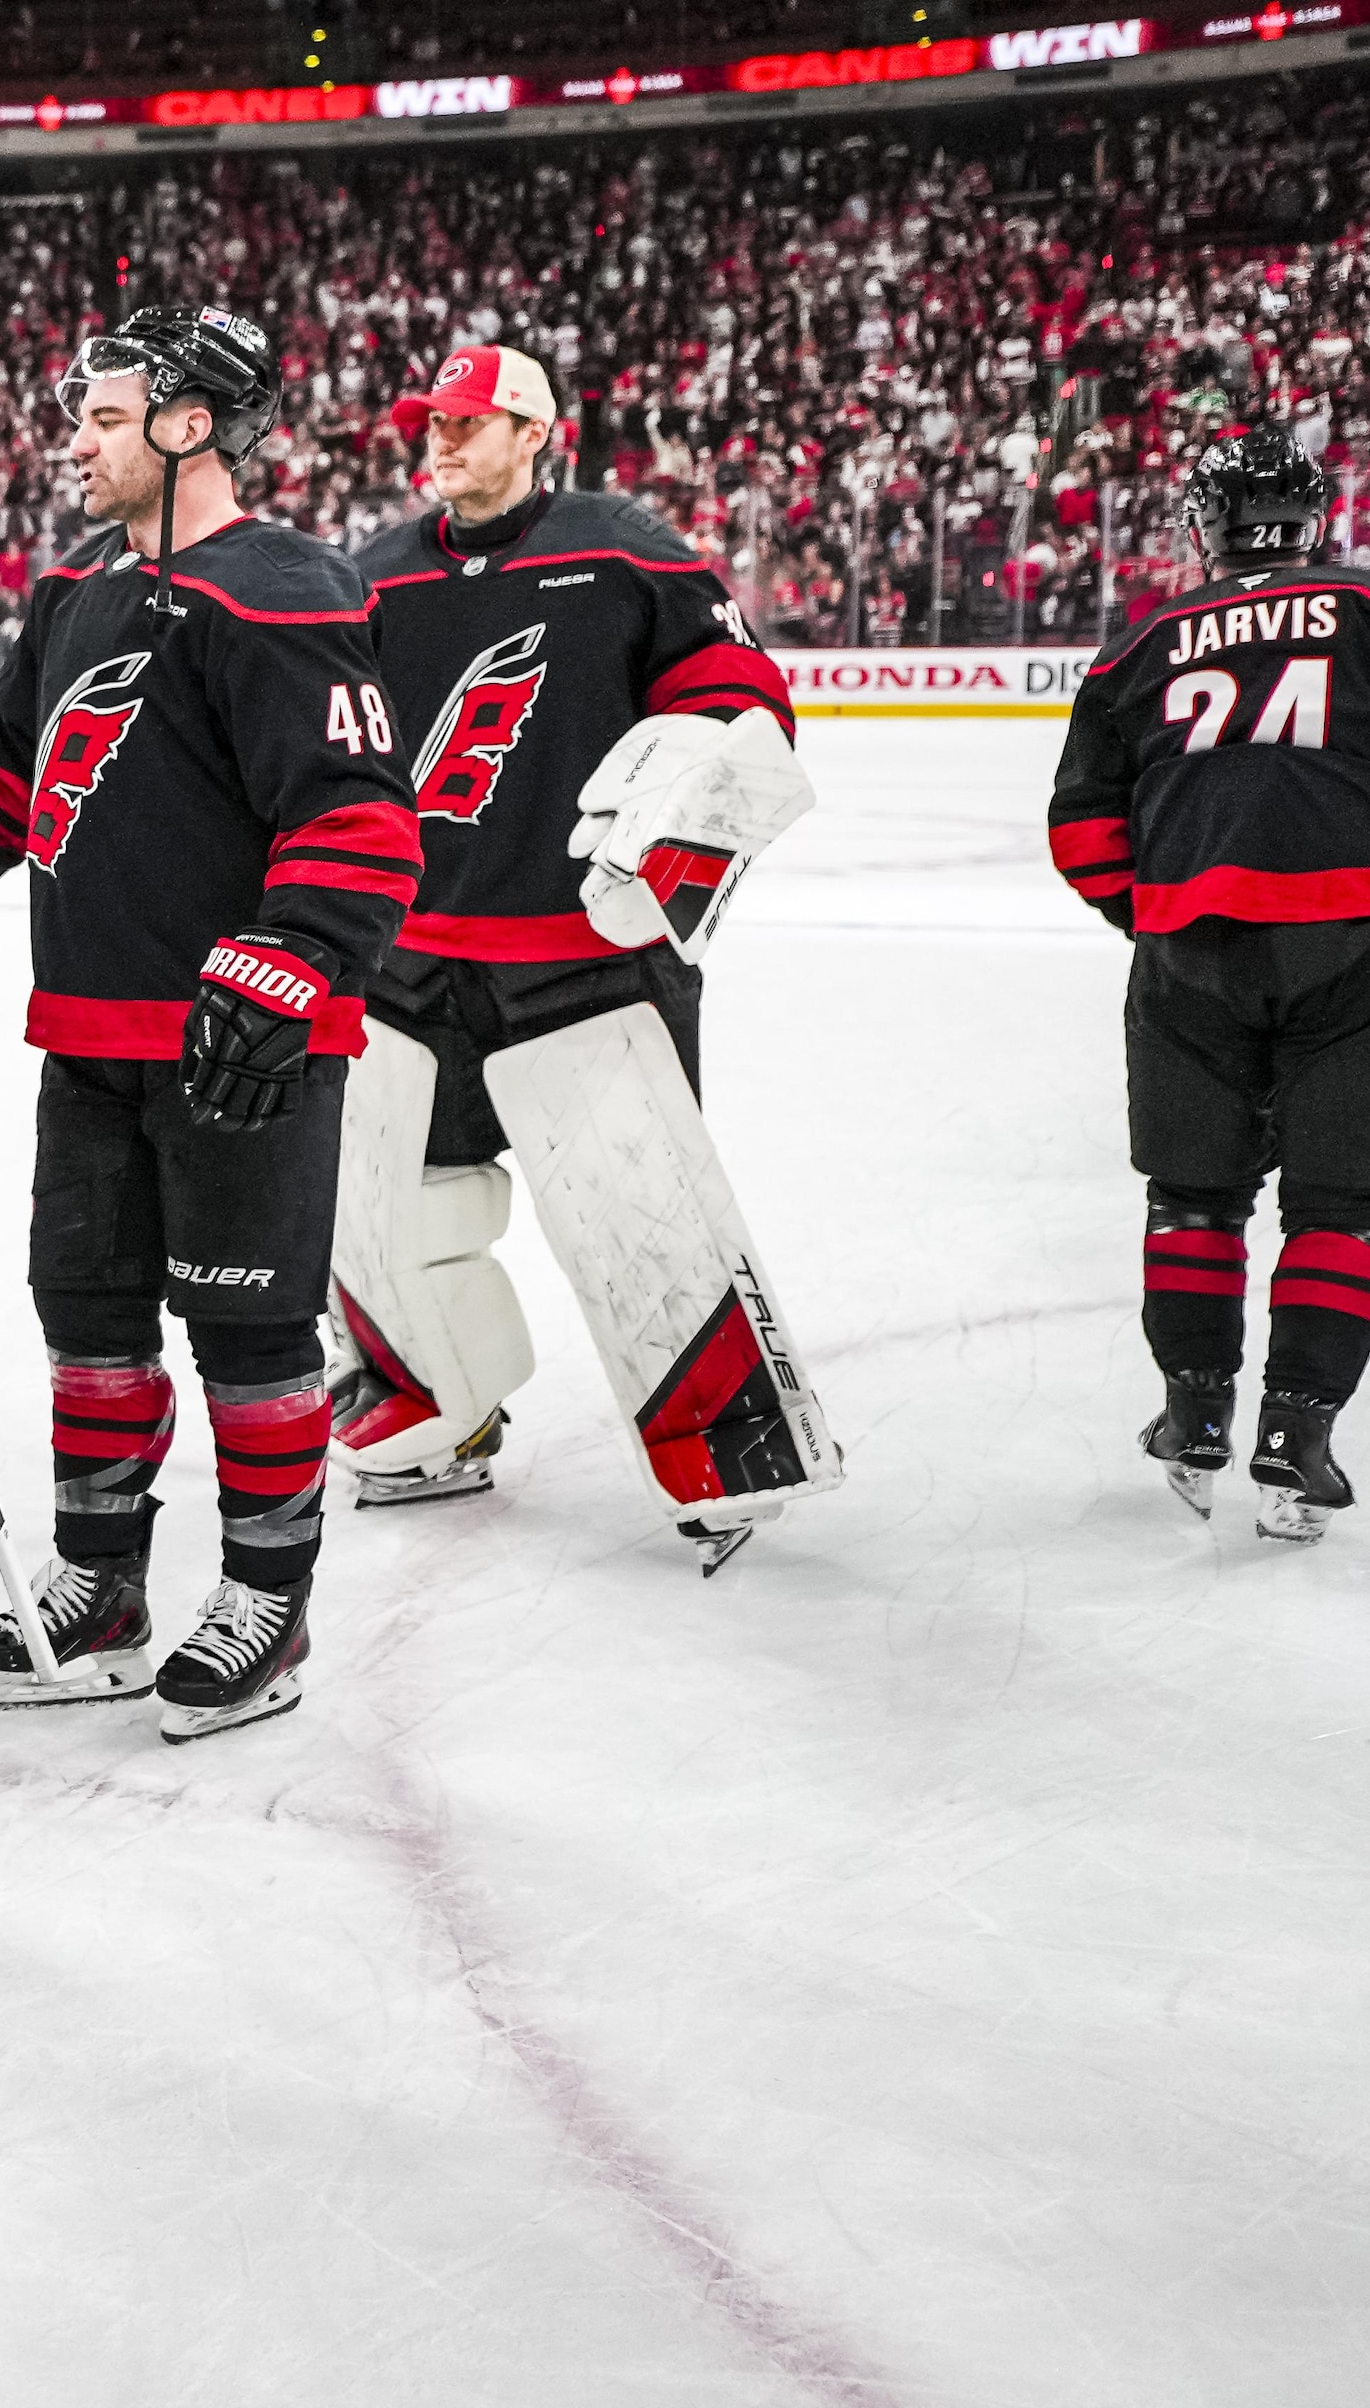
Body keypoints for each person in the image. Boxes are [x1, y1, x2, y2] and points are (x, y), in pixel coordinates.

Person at [0, 302, 415, 1739]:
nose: (77, 439)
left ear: (191, 425)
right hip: (88, 1041)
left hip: (241, 1048)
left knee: (251, 1331)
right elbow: (4, 789)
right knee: (88, 1318)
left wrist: (294, 959)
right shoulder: (75, 594)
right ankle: (103, 1581)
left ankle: (269, 1594)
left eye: (106, 415)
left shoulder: (284, 588)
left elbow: (360, 812)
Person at [339, 342, 836, 1563]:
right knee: (379, 1211)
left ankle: (726, 1449)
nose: (440, 441)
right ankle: (436, 1410)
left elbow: (739, 696)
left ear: (532, 432)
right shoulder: (370, 577)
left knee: (640, 1219)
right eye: (430, 423)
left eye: (467, 422)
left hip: (586, 959)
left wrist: (699, 777)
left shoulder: (625, 547)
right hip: (410, 961)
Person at [1048, 427, 1370, 1542]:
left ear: (1207, 528)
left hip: (1189, 949)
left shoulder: (1135, 644)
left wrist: (1157, 917)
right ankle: (1297, 1434)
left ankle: (1192, 1414)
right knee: (1344, 1203)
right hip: (1360, 940)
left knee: (1192, 1192)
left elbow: (1083, 831)